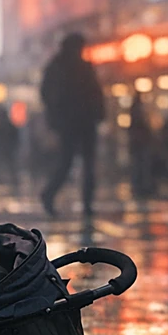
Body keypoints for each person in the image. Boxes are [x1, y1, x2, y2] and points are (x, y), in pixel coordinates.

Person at [39, 33, 105, 216]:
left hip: (84, 121)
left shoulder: (81, 67)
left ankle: (86, 204)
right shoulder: (58, 67)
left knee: (85, 164)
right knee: (68, 162)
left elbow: (96, 93)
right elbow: (47, 95)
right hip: (70, 122)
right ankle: (50, 194)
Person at [127, 93, 156, 198]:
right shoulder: (138, 114)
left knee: (139, 165)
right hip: (140, 143)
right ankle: (140, 187)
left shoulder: (134, 114)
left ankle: (138, 186)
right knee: (141, 165)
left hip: (138, 143)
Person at [0, 107, 19, 186]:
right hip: (9, 153)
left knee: (5, 172)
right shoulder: (10, 126)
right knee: (10, 171)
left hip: (4, 153)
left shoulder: (0, 127)